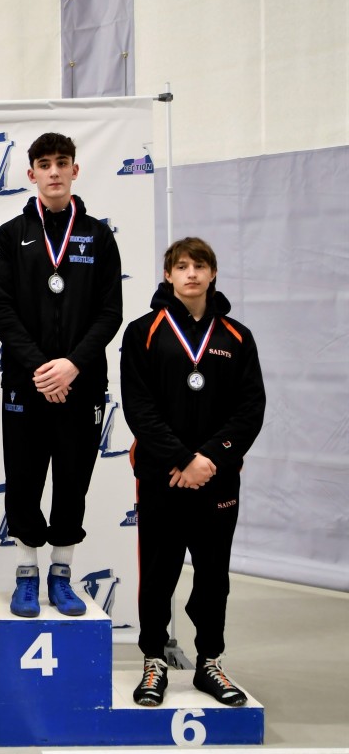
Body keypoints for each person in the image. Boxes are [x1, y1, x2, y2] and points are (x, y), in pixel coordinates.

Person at [121, 237, 265, 707]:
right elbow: (139, 408)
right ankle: (154, 660)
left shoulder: (237, 337)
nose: (191, 274)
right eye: (181, 266)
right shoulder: (142, 332)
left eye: (200, 266)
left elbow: (250, 409)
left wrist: (210, 458)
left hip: (217, 478)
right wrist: (183, 459)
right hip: (162, 476)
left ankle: (209, 662)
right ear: (168, 275)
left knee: (213, 575)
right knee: (158, 572)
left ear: (213, 273)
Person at [0, 132, 123, 617]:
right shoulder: (11, 235)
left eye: (62, 163)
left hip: (81, 382)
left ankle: (62, 574)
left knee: (72, 479)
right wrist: (41, 367)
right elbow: (1, 311)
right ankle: (26, 573)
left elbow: (110, 313)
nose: (54, 172)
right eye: (44, 164)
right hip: (26, 382)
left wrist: (71, 365)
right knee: (23, 477)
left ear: (75, 170)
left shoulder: (99, 236)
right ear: (31, 174)